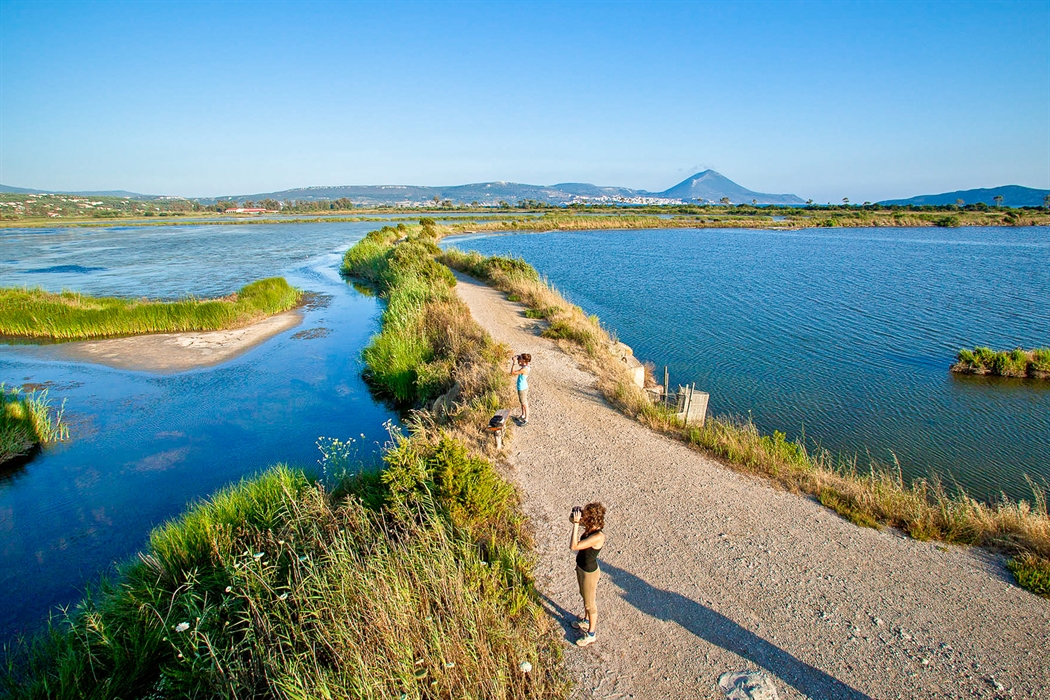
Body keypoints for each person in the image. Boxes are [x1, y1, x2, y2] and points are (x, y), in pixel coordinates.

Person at [569, 501, 605, 647]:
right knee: (584, 596)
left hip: (589, 573)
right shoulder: (591, 528)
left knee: (590, 604)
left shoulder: (598, 536)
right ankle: (585, 620)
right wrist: (575, 517)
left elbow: (574, 546)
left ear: (592, 518)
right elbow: (572, 519)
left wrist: (576, 524)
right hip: (582, 568)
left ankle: (591, 634)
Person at [510, 353, 531, 424]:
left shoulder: (524, 369)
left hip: (522, 388)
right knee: (522, 403)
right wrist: (518, 358)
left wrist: (514, 363)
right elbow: (521, 363)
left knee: (525, 404)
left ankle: (526, 419)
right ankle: (523, 415)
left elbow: (512, 372)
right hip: (523, 387)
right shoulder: (526, 366)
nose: (520, 359)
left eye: (521, 358)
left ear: (524, 360)